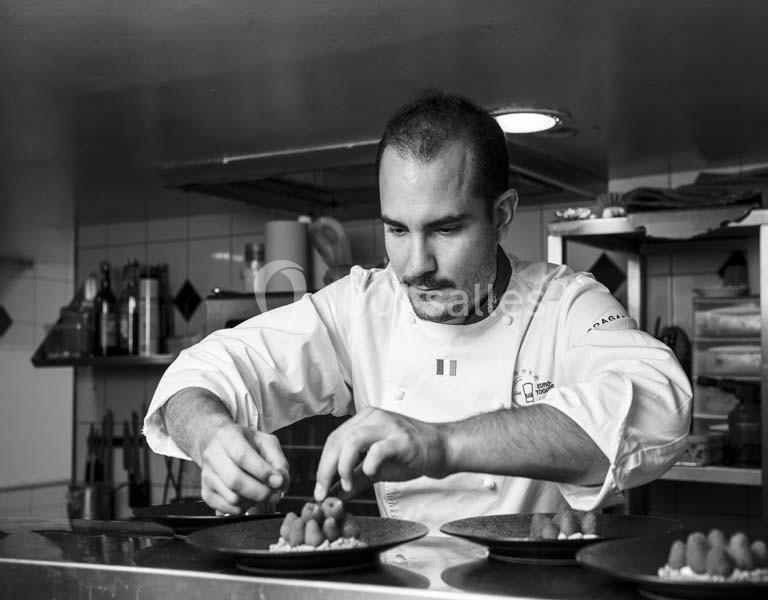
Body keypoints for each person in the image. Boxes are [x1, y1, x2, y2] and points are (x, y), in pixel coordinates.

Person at [143, 91, 691, 530]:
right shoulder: (362, 306)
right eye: (396, 230)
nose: (414, 265)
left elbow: (659, 405)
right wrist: (213, 438)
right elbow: (198, 376)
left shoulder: (565, 303)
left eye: (445, 228)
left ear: (502, 214)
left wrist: (440, 443)